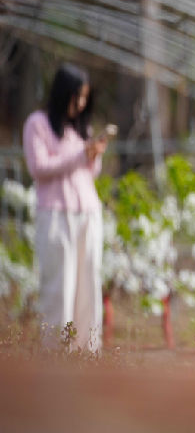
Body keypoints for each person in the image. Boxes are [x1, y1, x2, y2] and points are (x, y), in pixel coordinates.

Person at [23, 64, 108, 352]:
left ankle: (88, 350)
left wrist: (93, 156)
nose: (81, 103)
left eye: (84, 97)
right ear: (62, 94)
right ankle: (57, 354)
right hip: (56, 214)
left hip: (88, 213)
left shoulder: (80, 128)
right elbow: (40, 168)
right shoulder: (38, 123)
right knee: (60, 287)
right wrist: (79, 155)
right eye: (76, 97)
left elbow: (88, 174)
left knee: (89, 284)